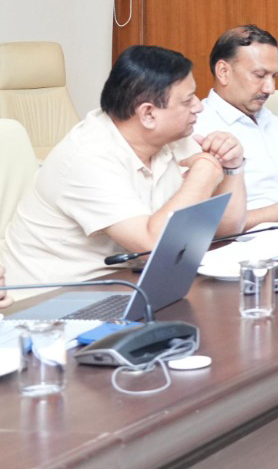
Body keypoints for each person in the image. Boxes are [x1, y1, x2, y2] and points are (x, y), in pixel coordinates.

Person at [0, 45, 246, 288]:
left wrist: (232, 168)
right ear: (148, 114)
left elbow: (227, 229)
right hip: (51, 300)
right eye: (187, 100)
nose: (198, 106)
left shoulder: (172, 137)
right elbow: (154, 247)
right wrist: (202, 175)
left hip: (126, 283)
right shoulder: (88, 157)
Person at [194, 25, 278, 225]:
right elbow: (206, 225)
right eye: (259, 75)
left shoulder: (276, 124)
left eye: (274, 76)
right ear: (223, 71)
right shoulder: (198, 128)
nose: (270, 88)